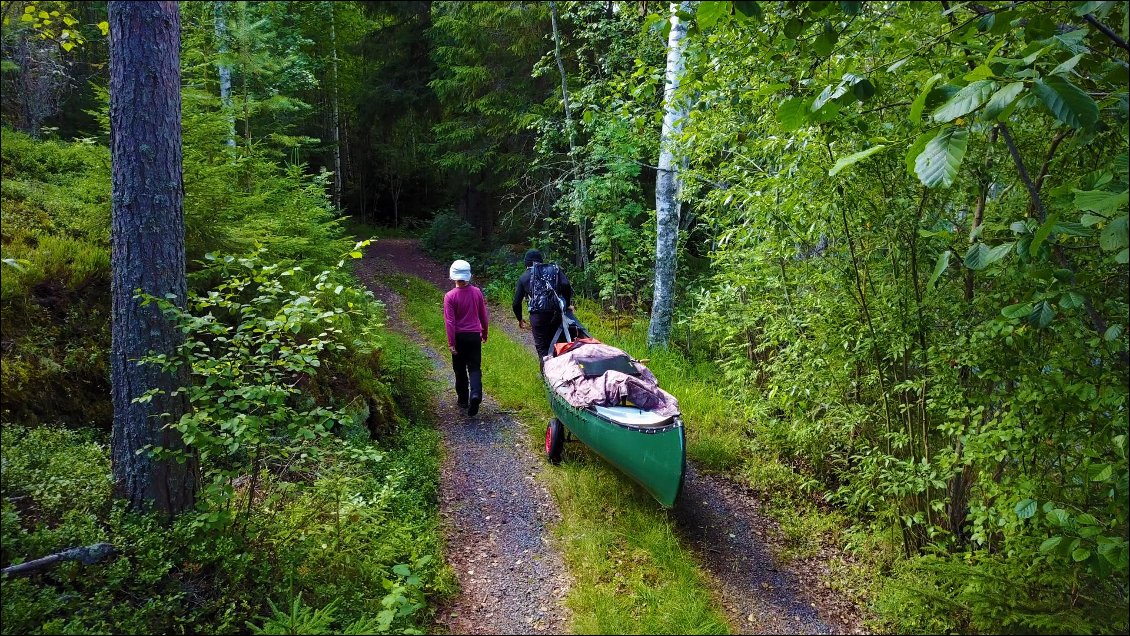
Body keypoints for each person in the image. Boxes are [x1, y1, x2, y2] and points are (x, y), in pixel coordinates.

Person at [444, 259, 489, 416]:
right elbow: (483, 315)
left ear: (453, 276)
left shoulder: (449, 296)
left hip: (459, 337)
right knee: (475, 367)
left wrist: (451, 342)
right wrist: (484, 332)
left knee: (459, 369)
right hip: (474, 336)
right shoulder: (477, 292)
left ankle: (463, 399)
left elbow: (450, 322)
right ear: (468, 275)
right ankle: (475, 394)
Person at [512, 249, 573, 359]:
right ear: (541, 261)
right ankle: (559, 369)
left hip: (538, 316)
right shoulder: (554, 270)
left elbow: (516, 303)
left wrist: (520, 319)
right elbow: (566, 286)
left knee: (542, 347)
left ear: (526, 263)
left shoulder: (524, 277)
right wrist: (566, 304)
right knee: (555, 342)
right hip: (556, 313)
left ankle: (545, 373)